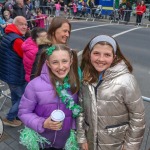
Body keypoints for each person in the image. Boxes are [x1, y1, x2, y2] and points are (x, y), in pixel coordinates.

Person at [77, 35, 145, 150]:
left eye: (107, 55)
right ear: (89, 54)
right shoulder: (86, 77)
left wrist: (130, 146)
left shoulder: (126, 80)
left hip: (116, 144)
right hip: (90, 142)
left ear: (114, 57)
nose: (101, 59)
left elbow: (138, 117)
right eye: (96, 53)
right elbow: (80, 110)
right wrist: (81, 136)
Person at [18, 44, 82, 150]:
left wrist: (75, 128)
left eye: (64, 61)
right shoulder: (35, 85)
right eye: (55, 62)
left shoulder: (75, 84)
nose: (61, 67)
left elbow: (78, 112)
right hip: (42, 141)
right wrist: (43, 123)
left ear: (71, 61)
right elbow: (23, 113)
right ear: (48, 63)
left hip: (66, 142)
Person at [0, 16, 28, 127]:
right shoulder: (17, 40)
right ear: (15, 24)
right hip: (15, 73)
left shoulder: (8, 34)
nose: (25, 26)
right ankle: (9, 117)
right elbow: (24, 55)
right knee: (23, 97)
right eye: (22, 24)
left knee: (15, 96)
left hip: (8, 72)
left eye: (26, 24)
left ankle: (16, 116)